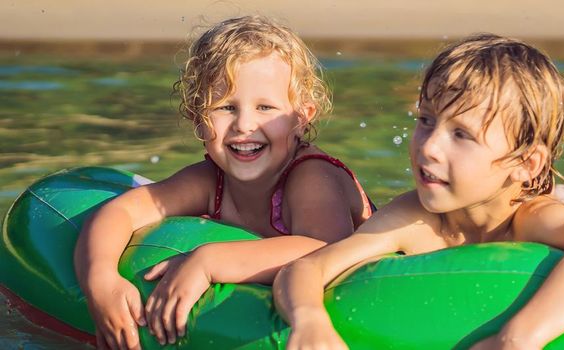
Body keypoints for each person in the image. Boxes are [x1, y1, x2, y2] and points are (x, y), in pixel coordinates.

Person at [273, 34, 564, 349]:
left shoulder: (529, 218)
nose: (429, 147)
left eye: (461, 134)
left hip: (532, 203)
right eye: (425, 120)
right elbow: (306, 268)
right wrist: (309, 321)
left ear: (526, 162)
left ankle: (563, 192)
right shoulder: (414, 219)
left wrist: (519, 337)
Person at [74, 15, 375, 350]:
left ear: (301, 118)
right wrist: (100, 280)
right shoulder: (209, 179)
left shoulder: (312, 176)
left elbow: (327, 249)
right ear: (197, 118)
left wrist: (208, 261)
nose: (244, 124)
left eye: (265, 107)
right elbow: (122, 212)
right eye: (226, 107)